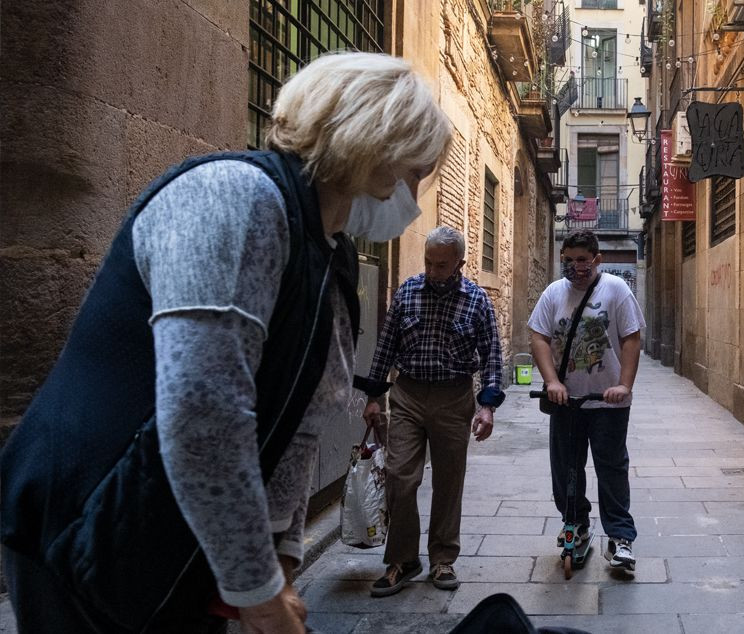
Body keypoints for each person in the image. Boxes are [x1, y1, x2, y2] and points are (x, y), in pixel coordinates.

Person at [0, 52, 451, 633]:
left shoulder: (329, 252)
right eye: (416, 171)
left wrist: (281, 560)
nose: (414, 194)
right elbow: (203, 412)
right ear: (376, 149)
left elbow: (303, 426)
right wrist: (260, 593)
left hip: (186, 544)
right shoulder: (235, 199)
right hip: (88, 533)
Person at [358, 225, 505, 597]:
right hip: (407, 394)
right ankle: (404, 559)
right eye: (429, 262)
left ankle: (442, 558)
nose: (433, 270)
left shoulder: (476, 301)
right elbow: (385, 346)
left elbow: (492, 356)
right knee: (399, 476)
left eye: (442, 264)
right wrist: (373, 397)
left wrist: (486, 406)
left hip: (454, 398)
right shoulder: (408, 291)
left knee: (448, 480)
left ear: (459, 263)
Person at [528, 230, 645, 571]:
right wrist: (551, 381)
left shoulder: (617, 290)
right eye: (569, 259)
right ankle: (575, 523)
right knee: (566, 470)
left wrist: (623, 385)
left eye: (582, 260)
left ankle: (621, 537)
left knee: (611, 469)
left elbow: (631, 339)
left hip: (607, 404)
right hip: (567, 403)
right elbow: (539, 337)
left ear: (597, 259)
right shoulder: (553, 294)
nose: (575, 266)